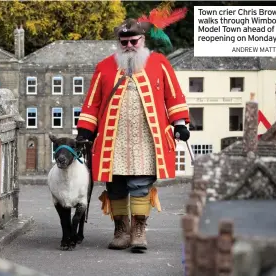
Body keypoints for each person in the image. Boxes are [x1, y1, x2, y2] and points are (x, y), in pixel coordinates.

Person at [75, 8, 190, 253]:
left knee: (140, 185)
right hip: (112, 139)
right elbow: (92, 102)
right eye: (124, 41)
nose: (129, 45)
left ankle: (139, 231)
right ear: (119, 43)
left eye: (133, 41)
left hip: (146, 139)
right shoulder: (104, 67)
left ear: (143, 40)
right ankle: (121, 230)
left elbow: (174, 96)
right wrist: (85, 130)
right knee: (115, 186)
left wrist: (180, 124)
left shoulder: (159, 63)